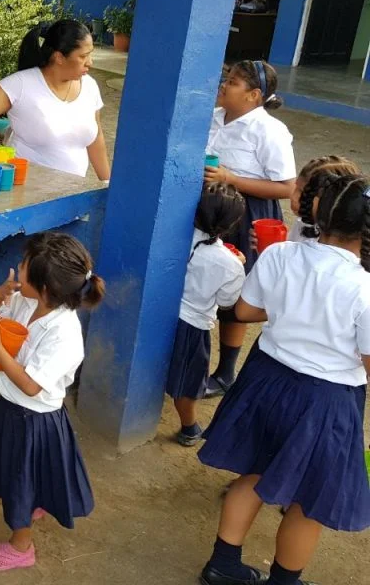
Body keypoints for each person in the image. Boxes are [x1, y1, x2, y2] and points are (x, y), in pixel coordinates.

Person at [196, 173, 370, 585]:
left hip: (266, 380)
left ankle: (222, 564)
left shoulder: (280, 255)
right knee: (308, 503)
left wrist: (294, 313)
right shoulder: (364, 288)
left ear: (320, 213)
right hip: (326, 401)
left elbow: (244, 312)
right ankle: (285, 582)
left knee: (253, 475)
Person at [0, 232, 102, 571]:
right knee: (23, 474)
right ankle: (34, 499)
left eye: (25, 267)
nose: (19, 270)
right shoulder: (27, 300)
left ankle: (21, 547)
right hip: (12, 410)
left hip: (34, 419)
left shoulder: (64, 334)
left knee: (18, 483)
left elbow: (30, 386)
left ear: (45, 287)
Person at [203, 60, 296, 398]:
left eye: (233, 82)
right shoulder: (213, 117)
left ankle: (225, 372)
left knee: (235, 293)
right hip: (210, 209)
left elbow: (287, 187)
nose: (224, 86)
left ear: (255, 95)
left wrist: (231, 178)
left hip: (245, 215)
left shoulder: (268, 131)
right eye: (226, 78)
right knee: (203, 282)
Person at [0, 19, 111, 180]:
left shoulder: (90, 86)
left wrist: (107, 183)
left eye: (90, 54)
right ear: (59, 57)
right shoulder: (21, 84)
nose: (90, 62)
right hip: (26, 193)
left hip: (72, 194)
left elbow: (97, 138)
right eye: (83, 56)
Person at [165, 183, 246, 446]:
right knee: (188, 384)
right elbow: (226, 303)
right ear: (231, 224)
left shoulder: (173, 237)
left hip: (161, 315)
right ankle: (189, 427)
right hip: (193, 328)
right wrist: (238, 264)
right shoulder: (230, 264)